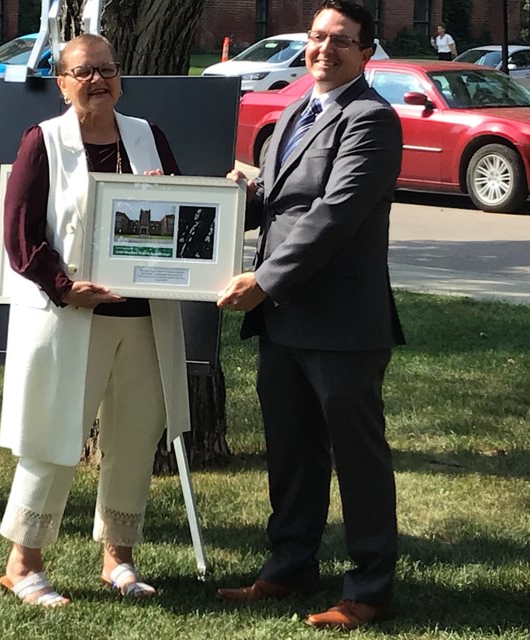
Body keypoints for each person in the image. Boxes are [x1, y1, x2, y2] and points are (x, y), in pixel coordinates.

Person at [215, 0, 405, 632]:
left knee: (357, 458)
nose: (324, 48)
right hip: (286, 320)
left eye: (341, 41)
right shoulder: (297, 110)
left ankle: (369, 588)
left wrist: (263, 281)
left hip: (342, 323)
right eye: (318, 37)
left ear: (366, 53)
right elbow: (276, 202)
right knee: (292, 453)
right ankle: (289, 566)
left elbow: (334, 215)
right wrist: (212, 201)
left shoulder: (370, 120)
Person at [0, 33, 191, 608]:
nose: (97, 80)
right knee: (55, 436)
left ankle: (119, 559)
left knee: (134, 437)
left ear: (120, 77)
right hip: (71, 315)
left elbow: (184, 217)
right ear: (61, 82)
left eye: (107, 69)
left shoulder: (148, 136)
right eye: (83, 72)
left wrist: (174, 200)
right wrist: (64, 288)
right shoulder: (45, 141)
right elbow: (20, 235)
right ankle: (23, 563)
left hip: (144, 319)